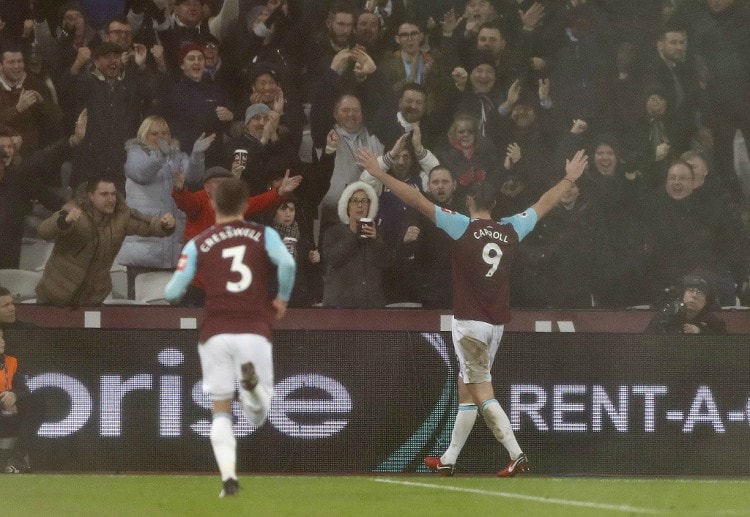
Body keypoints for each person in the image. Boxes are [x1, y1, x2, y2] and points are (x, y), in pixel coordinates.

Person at [356, 146, 588, 476]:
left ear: (469, 202)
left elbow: (417, 201)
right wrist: (568, 178)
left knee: (481, 391)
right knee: (467, 389)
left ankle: (516, 453)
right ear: (494, 205)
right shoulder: (511, 229)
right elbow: (544, 203)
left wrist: (380, 174)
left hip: (469, 324)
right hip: (496, 325)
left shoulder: (461, 226)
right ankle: (449, 459)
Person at [164, 177, 295, 498]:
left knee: (220, 410)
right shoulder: (265, 235)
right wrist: (282, 298)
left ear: (212, 204)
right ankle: (250, 392)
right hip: (254, 328)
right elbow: (288, 262)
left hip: (215, 331)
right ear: (245, 204)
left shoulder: (199, 242)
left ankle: (228, 480)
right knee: (258, 413)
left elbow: (172, 292)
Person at [35, 178, 176, 307]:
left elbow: (147, 225)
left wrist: (164, 225)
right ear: (90, 196)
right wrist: (64, 221)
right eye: (104, 194)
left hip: (91, 300)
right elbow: (43, 230)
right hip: (54, 297)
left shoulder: (122, 216)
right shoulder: (74, 210)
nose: (110, 199)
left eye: (113, 194)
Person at [172, 165, 301, 305]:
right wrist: (179, 189)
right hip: (197, 282)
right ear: (207, 187)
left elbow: (260, 202)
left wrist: (280, 192)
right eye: (219, 184)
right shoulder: (199, 201)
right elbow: (187, 202)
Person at [116, 115, 215, 298]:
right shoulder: (135, 154)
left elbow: (193, 177)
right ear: (144, 135)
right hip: (143, 247)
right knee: (141, 307)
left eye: (164, 133)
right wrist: (160, 156)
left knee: (172, 308)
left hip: (173, 246)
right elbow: (141, 174)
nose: (161, 137)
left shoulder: (177, 157)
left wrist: (196, 156)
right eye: (154, 134)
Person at [321, 180, 389, 308]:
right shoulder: (333, 231)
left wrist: (376, 240)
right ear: (347, 205)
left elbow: (387, 263)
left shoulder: (378, 232)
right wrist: (351, 233)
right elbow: (334, 259)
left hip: (371, 304)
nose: (360, 205)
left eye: (364, 201)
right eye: (355, 201)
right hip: (340, 305)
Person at [0, 326, 44, 474]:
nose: (2, 342)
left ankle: (17, 459)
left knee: (35, 405)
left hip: (12, 409)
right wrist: (4, 400)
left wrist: (13, 396)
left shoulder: (12, 361)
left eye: (2, 337)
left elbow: (23, 388)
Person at [644, 274, 727, 335]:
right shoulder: (666, 315)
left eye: (699, 292)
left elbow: (724, 347)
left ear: (706, 301)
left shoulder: (714, 322)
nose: (694, 295)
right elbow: (647, 341)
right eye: (690, 290)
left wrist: (701, 332)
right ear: (682, 295)